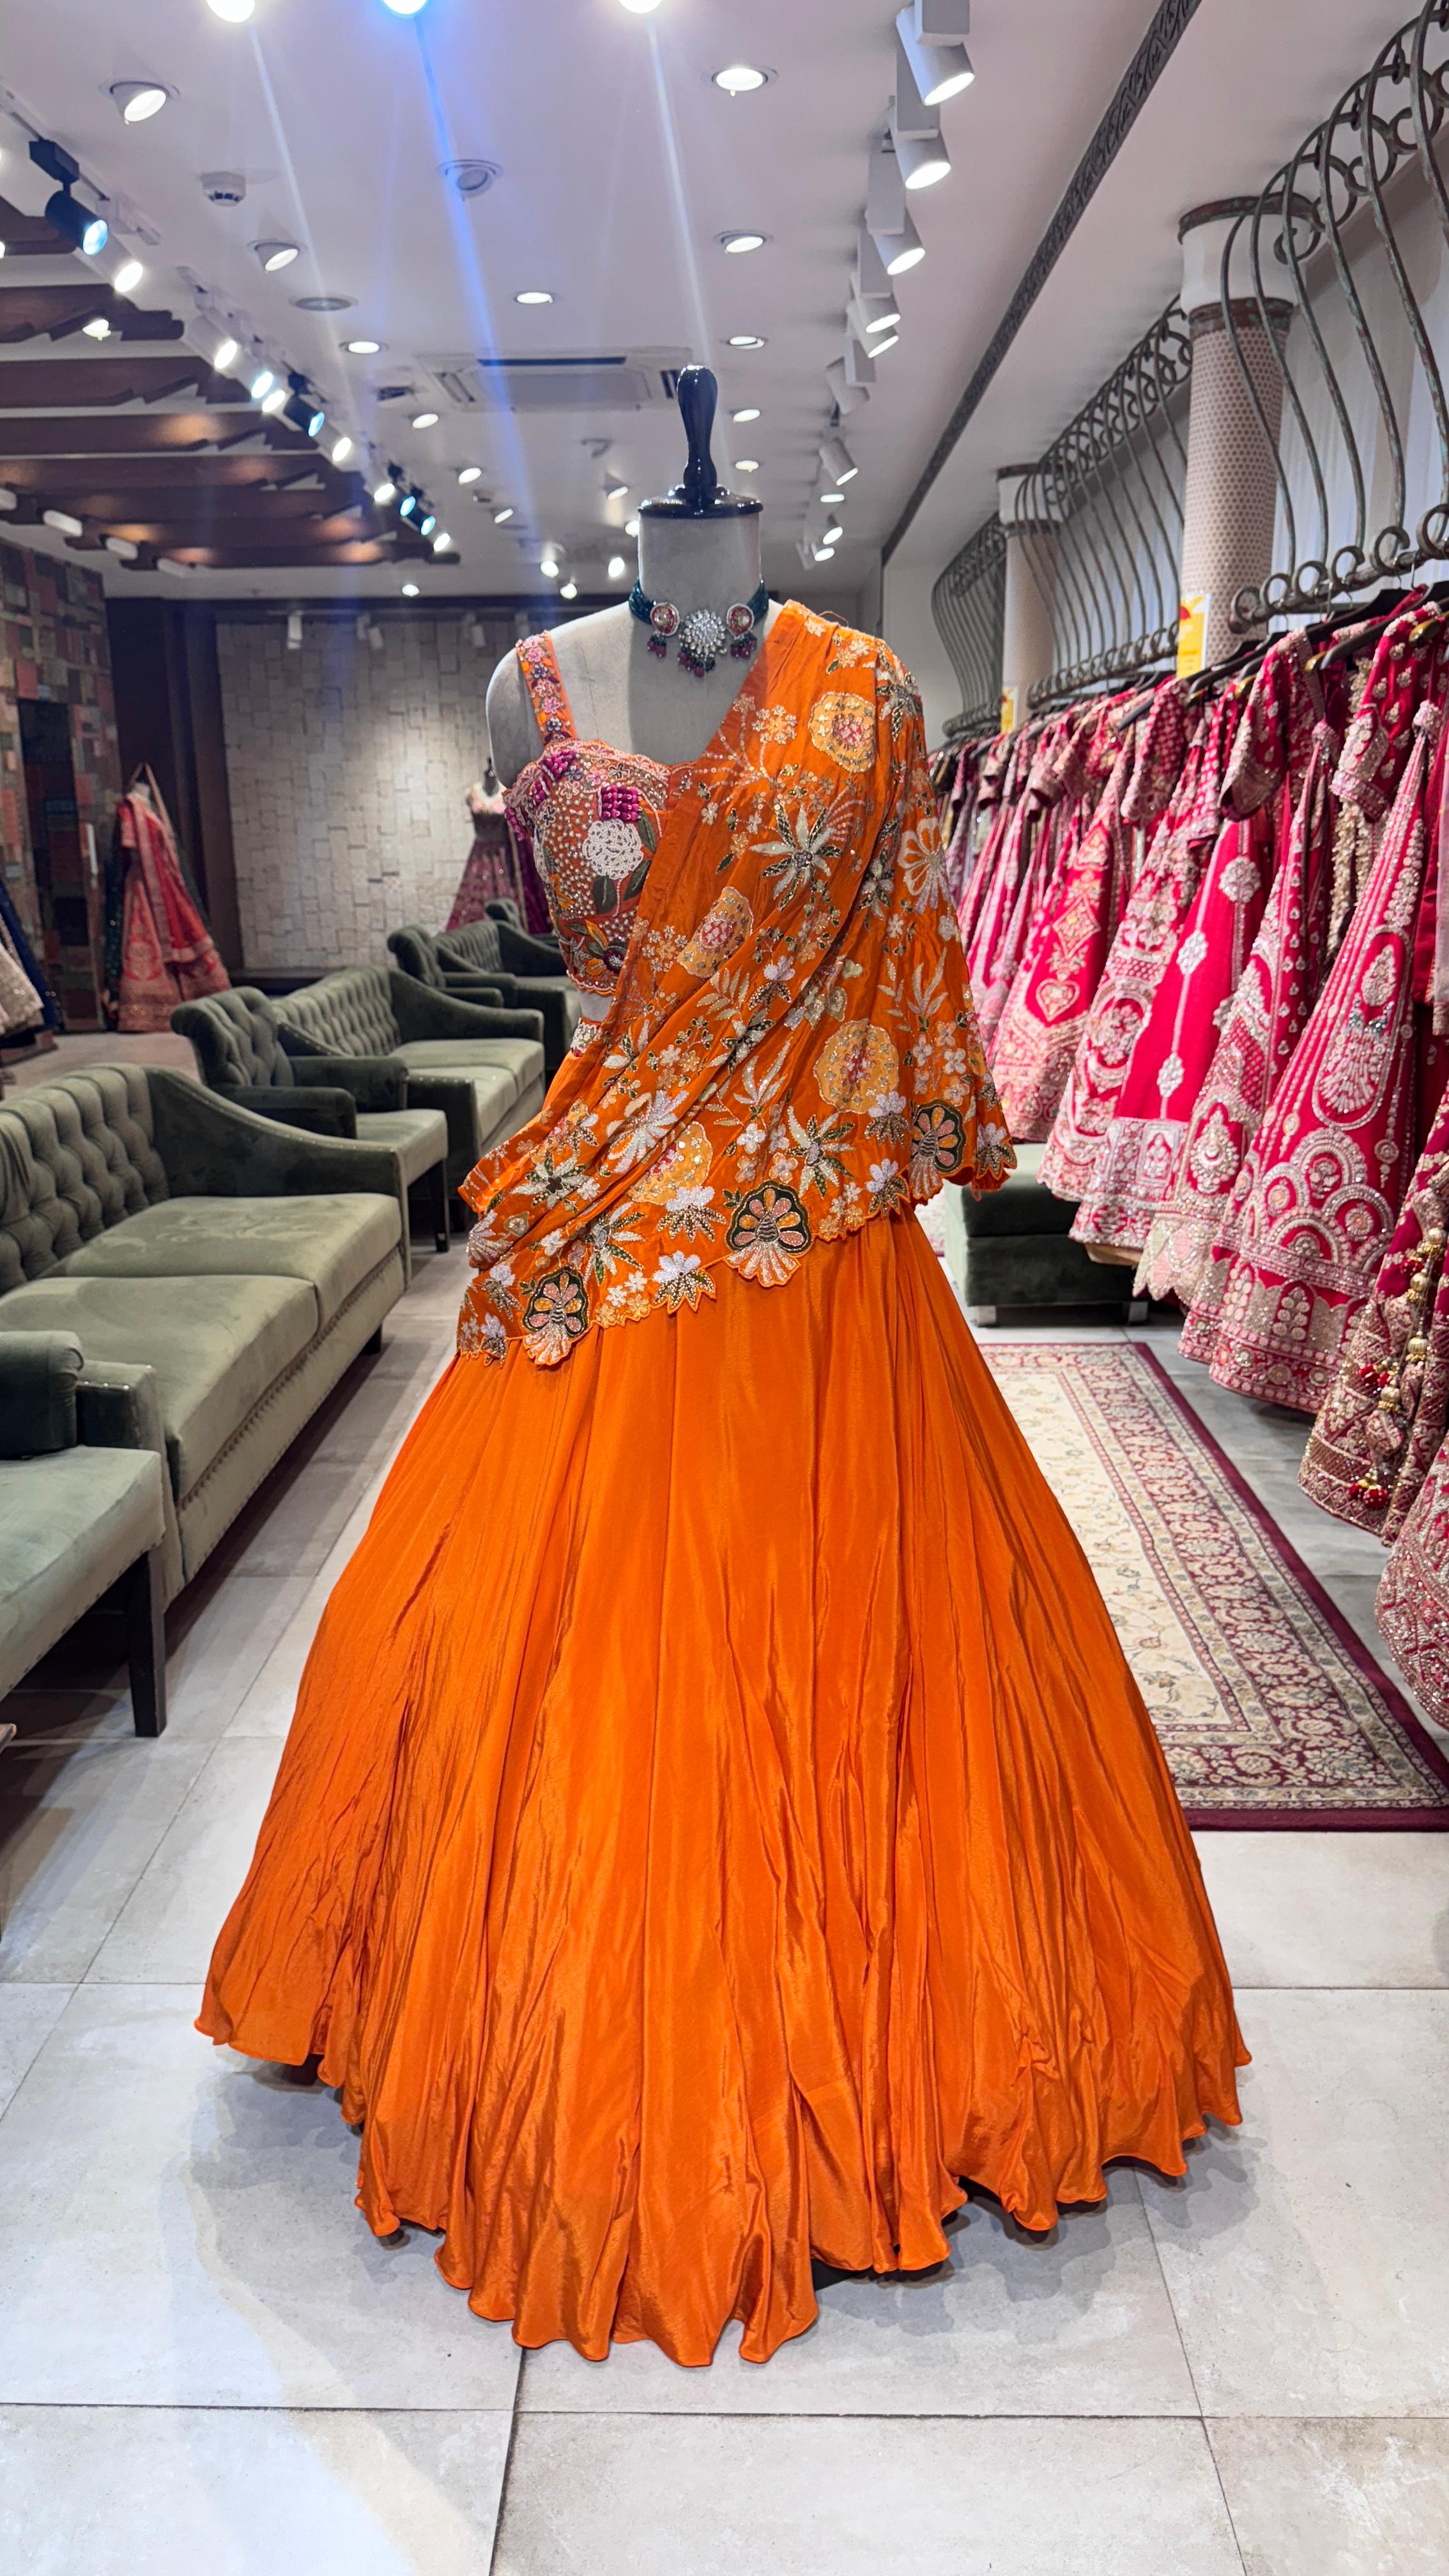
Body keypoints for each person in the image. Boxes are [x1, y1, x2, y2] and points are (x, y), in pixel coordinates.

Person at [200, 382, 1243, 2368]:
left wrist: (834, 1154)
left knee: (863, 1652)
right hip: (603, 1230)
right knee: (560, 1662)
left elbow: (901, 973)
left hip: (806, 1251)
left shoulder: (866, 694)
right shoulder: (534, 687)